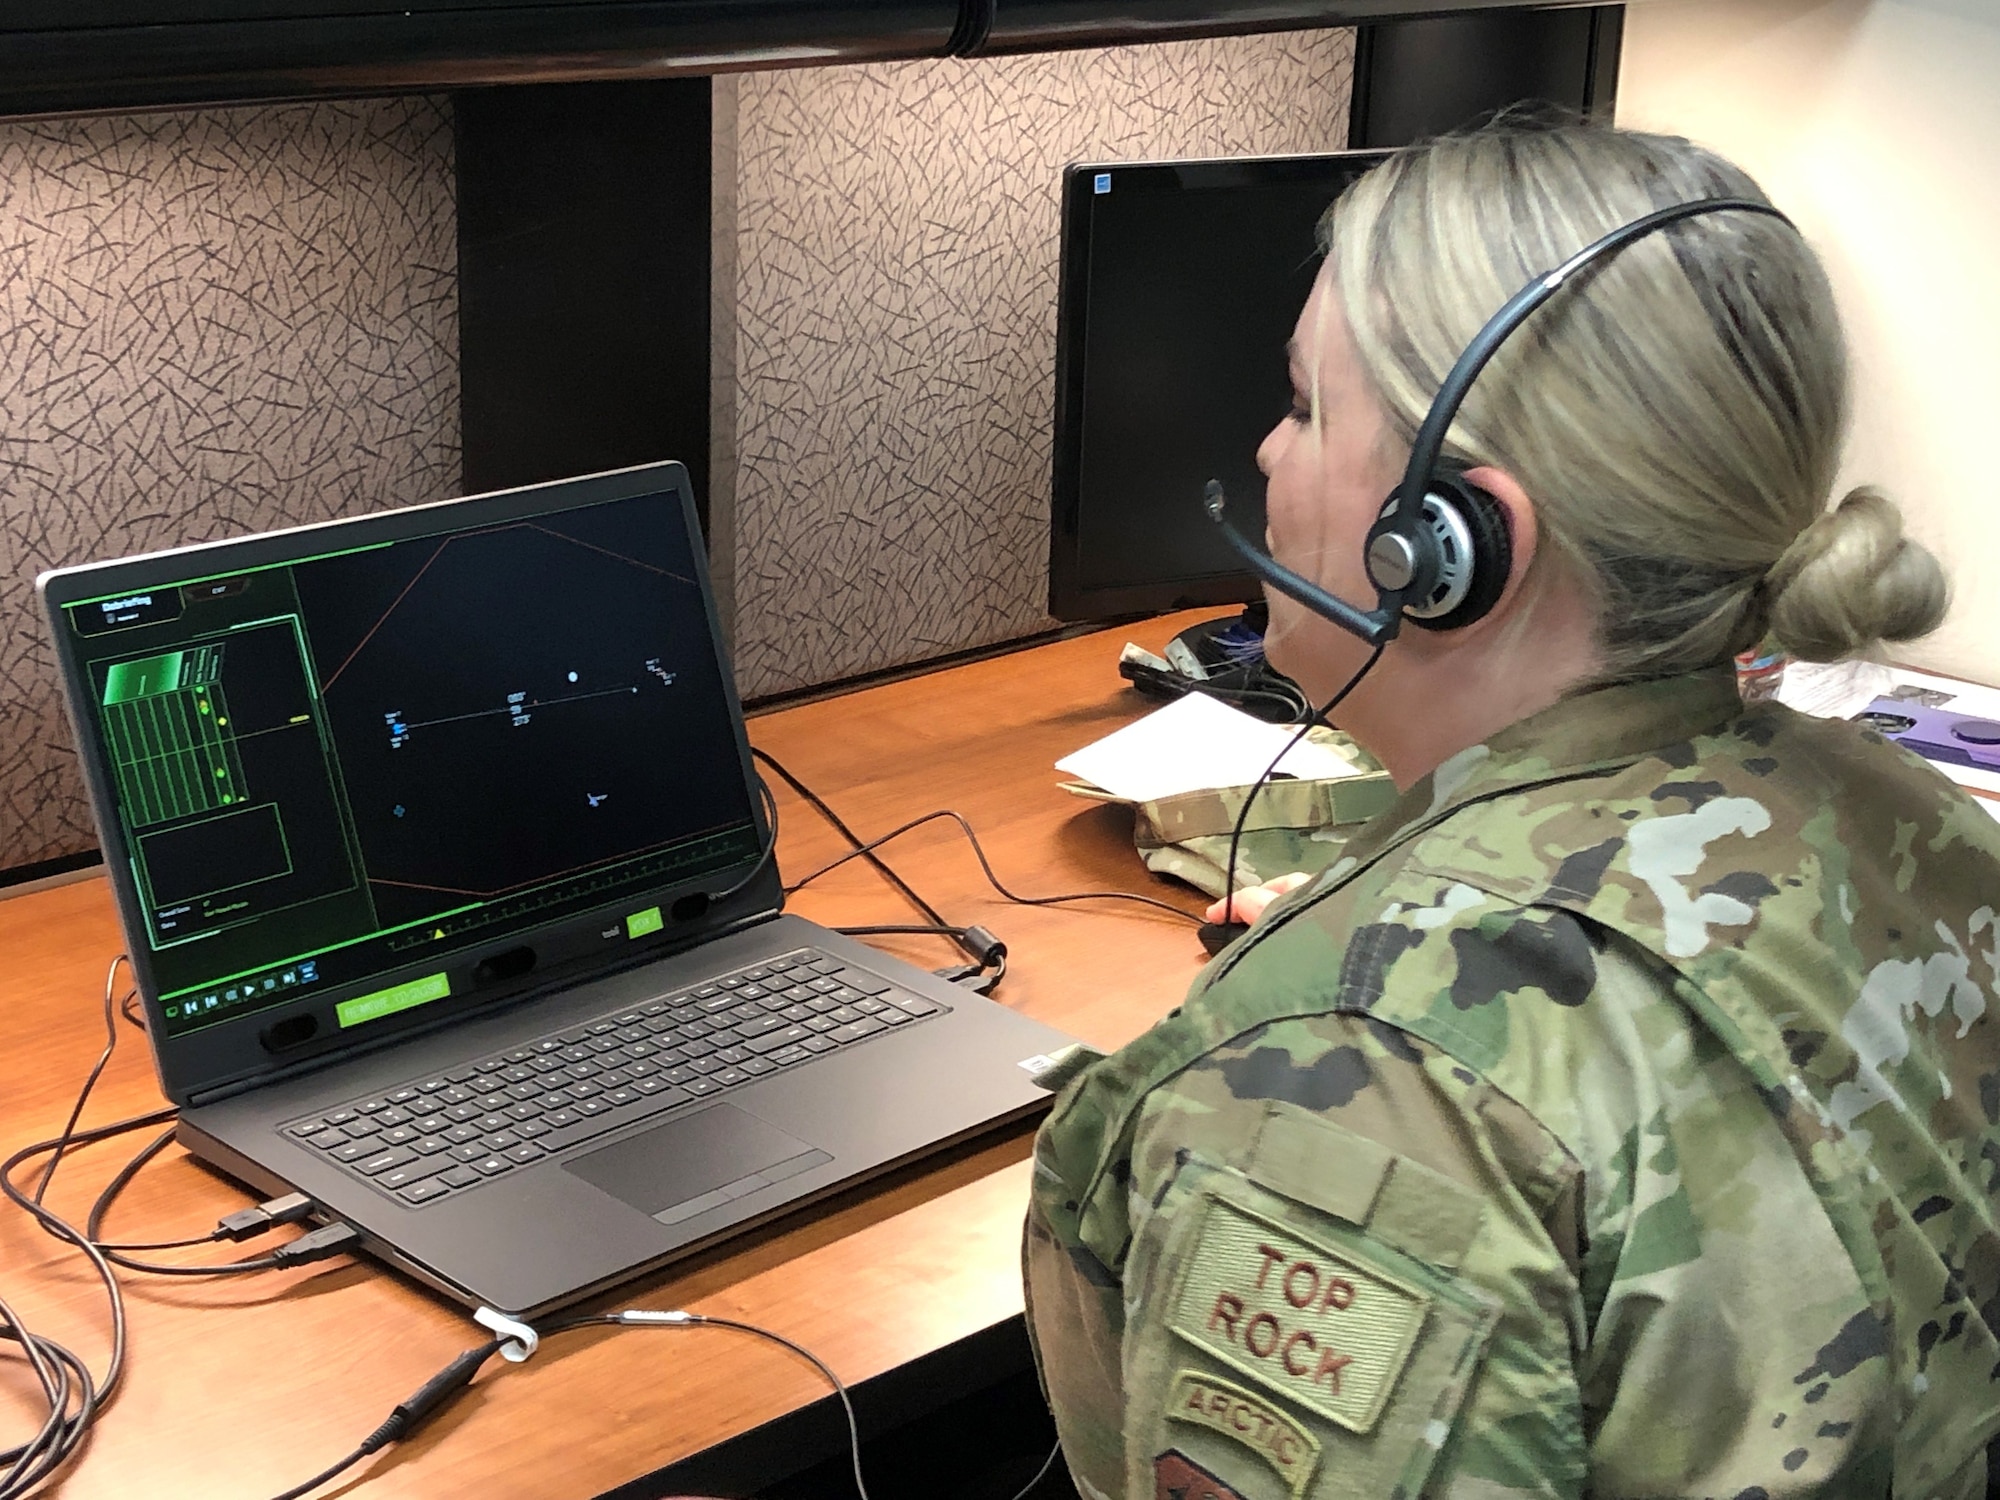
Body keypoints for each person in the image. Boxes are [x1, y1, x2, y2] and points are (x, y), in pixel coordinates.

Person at [1022, 120, 2000, 1500]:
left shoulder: (1351, 1090)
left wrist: (1384, 1006)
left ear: (1449, 547)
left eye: (1305, 405)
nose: (1265, 448)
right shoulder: (1916, 822)